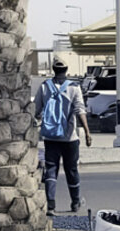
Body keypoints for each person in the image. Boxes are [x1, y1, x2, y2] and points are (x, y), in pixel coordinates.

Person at [33, 59, 90, 215]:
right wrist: (87, 132)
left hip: (50, 136)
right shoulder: (74, 88)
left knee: (51, 169)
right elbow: (80, 111)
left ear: (53, 69)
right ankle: (75, 202)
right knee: (71, 169)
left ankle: (50, 205)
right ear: (66, 70)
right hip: (69, 138)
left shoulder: (45, 86)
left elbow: (36, 111)